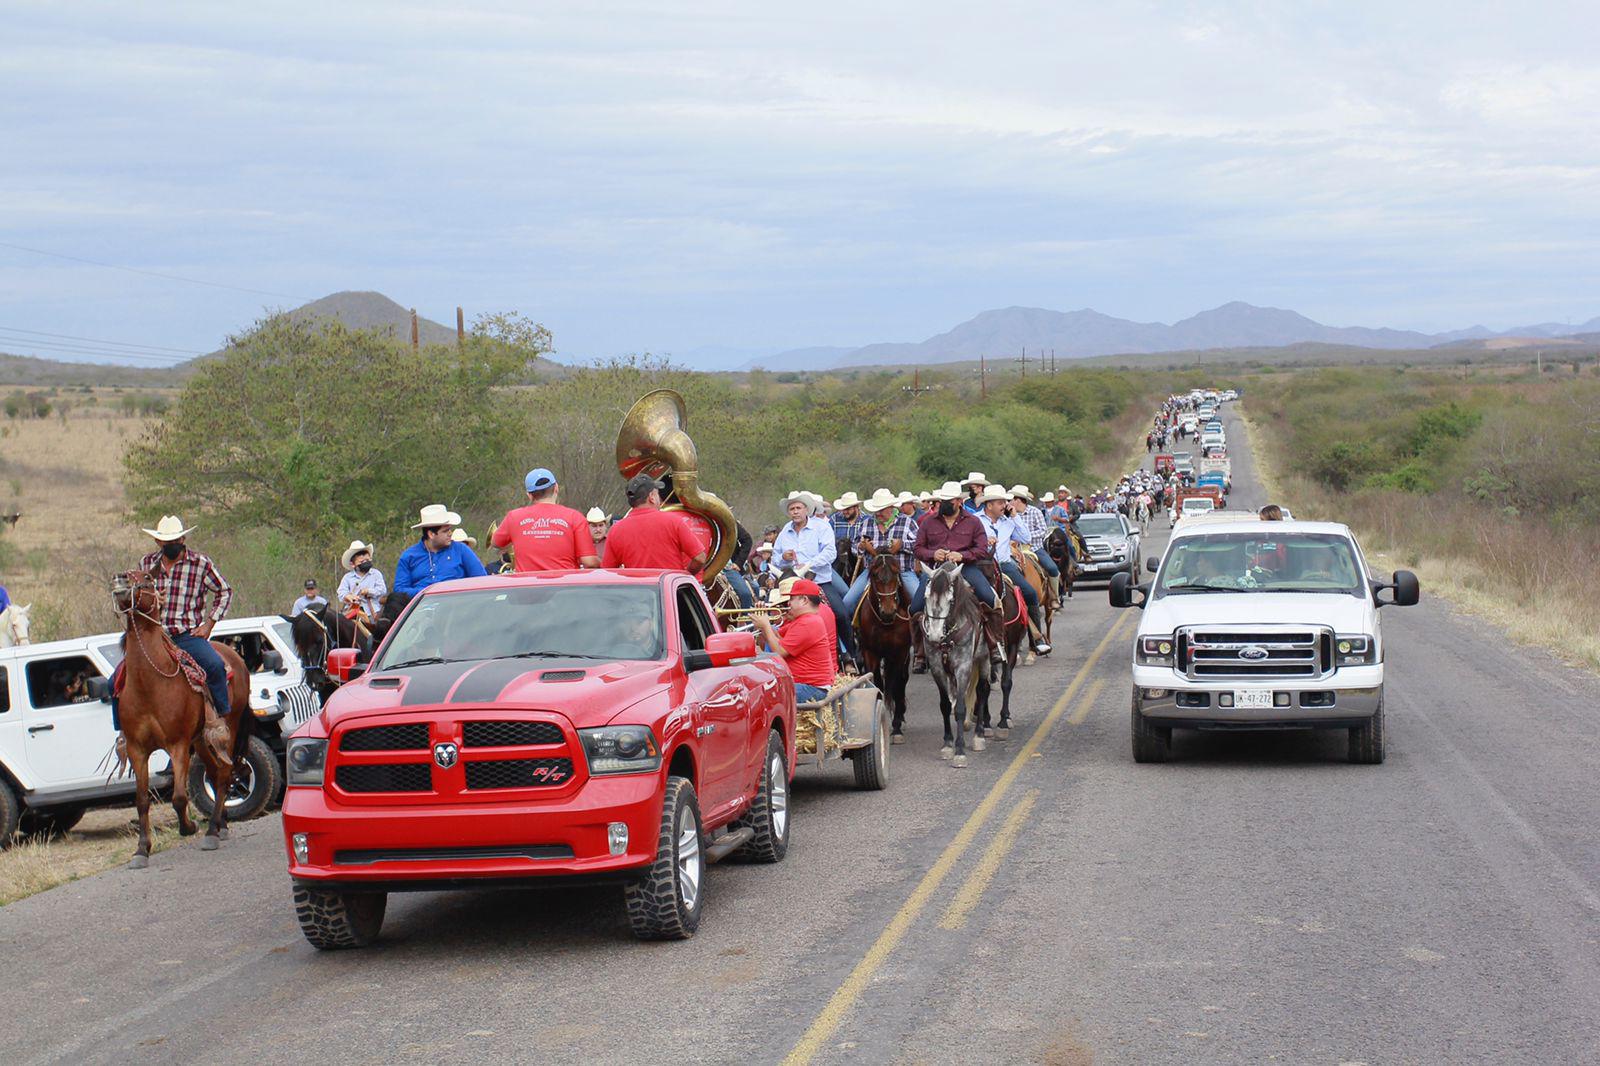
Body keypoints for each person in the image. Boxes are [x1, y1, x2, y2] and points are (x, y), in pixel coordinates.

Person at [122, 515, 235, 727]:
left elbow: (224, 591)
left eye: (175, 540)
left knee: (215, 665)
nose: (172, 545)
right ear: (158, 542)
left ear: (183, 540)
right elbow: (137, 599)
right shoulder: (146, 564)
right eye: (167, 541)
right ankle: (124, 733)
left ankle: (221, 720)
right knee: (117, 679)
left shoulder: (200, 563)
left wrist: (209, 624)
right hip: (153, 635)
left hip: (186, 635)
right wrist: (153, 599)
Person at [767, 491, 856, 663]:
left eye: (798, 507)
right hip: (791, 585)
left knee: (841, 613)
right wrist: (783, 558)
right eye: (792, 508)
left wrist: (808, 565)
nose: (795, 511)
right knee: (775, 613)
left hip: (818, 580)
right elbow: (775, 558)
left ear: (806, 509)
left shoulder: (821, 527)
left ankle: (849, 654)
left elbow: (830, 553)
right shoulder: (785, 531)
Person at [978, 486, 1051, 654]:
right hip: (981, 565)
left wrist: (1015, 516)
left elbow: (1026, 538)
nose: (1005, 505)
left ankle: (1036, 639)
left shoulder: (1009, 521)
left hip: (1004, 565)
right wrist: (983, 541)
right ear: (989, 505)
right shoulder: (975, 521)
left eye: (1005, 502)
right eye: (1000, 502)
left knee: (1030, 594)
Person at [491, 467, 600, 573]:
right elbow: (589, 562)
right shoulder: (575, 517)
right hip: (564, 587)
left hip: (527, 587)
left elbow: (495, 542)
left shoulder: (513, 517)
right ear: (556, 488)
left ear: (529, 495)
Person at [603, 474, 709, 573]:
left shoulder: (615, 530)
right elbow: (700, 558)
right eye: (657, 494)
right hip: (669, 589)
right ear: (652, 497)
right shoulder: (673, 521)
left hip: (636, 591)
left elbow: (607, 571)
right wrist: (685, 576)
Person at [751, 579, 837, 702]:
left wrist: (765, 625)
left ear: (804, 600)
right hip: (802, 684)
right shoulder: (802, 619)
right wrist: (762, 623)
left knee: (764, 694)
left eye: (791, 599)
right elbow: (775, 640)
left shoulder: (809, 622)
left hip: (812, 688)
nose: (788, 604)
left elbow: (779, 651)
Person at [841, 489, 920, 621]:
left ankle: (921, 636)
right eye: (876, 510)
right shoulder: (867, 523)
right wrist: (861, 547)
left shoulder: (907, 522)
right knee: (847, 603)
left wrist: (902, 545)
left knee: (920, 603)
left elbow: (918, 546)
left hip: (902, 570)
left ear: (891, 508)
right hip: (872, 571)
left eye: (881, 510)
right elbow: (855, 548)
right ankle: (852, 637)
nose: (877, 513)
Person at [393, 505, 488, 596]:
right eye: (445, 531)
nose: (450, 534)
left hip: (458, 604)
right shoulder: (409, 556)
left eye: (450, 530)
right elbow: (399, 590)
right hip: (422, 607)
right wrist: (426, 592)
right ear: (431, 534)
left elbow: (481, 580)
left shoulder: (461, 550)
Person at [1010, 485, 1061, 595]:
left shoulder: (1035, 512)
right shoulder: (1008, 515)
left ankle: (1054, 596)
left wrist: (1025, 537)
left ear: (1018, 500)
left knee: (1052, 568)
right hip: (1014, 550)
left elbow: (1043, 531)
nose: (1009, 502)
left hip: (1035, 548)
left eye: (1011, 500)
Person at [337, 540, 386, 620]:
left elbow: (382, 590)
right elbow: (341, 592)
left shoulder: (376, 574)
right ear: (353, 564)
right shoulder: (348, 577)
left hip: (373, 612)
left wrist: (368, 591)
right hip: (352, 611)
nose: (365, 563)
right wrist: (348, 596)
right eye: (362, 561)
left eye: (367, 560)